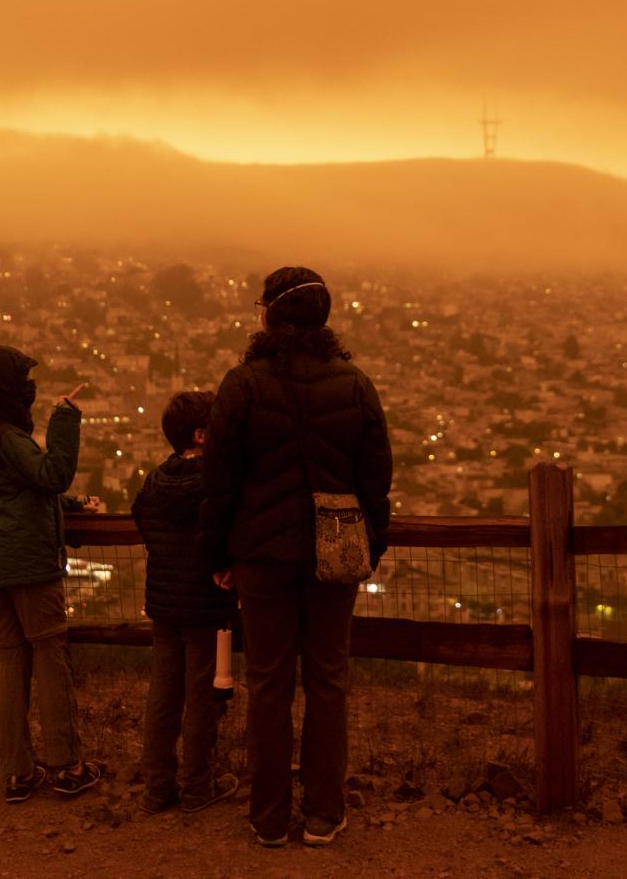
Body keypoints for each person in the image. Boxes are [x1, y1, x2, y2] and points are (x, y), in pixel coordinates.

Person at [200, 267, 393, 848]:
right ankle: (324, 812)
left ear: (268, 316)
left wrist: (218, 553)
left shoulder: (243, 385)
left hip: (261, 554)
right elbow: (376, 481)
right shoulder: (355, 385)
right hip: (334, 555)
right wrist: (369, 548)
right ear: (323, 320)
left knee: (270, 683)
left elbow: (220, 483)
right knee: (329, 681)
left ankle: (267, 816)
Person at [0, 344, 104, 803]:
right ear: (8, 390)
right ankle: (67, 765)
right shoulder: (8, 436)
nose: (29, 389)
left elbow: (19, 492)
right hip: (28, 564)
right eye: (22, 381)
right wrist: (65, 419)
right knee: (49, 657)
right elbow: (53, 473)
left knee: (10, 661)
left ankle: (17, 772)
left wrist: (72, 507)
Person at [132, 390, 241, 815]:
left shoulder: (153, 483)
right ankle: (198, 785)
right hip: (206, 606)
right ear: (200, 436)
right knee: (201, 698)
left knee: (163, 692)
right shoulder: (216, 486)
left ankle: (157, 787)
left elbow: (143, 523)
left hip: (163, 604)